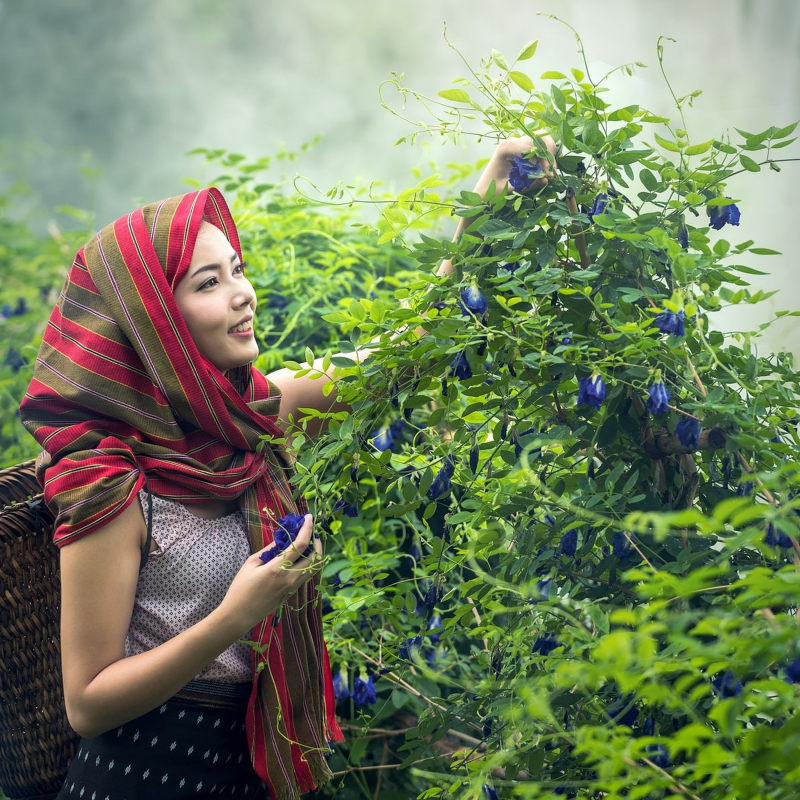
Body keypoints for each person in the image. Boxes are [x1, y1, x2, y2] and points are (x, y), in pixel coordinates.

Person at [18, 134, 555, 799]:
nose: (242, 294)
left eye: (237, 270)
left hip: (246, 769)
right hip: (141, 776)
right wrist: (234, 617)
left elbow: (418, 345)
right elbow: (88, 702)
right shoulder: (108, 477)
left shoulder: (254, 414)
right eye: (209, 283)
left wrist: (496, 183)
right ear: (155, 323)